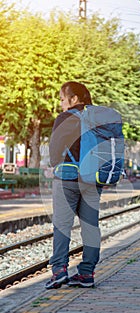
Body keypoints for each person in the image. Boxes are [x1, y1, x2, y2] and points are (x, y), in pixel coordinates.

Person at [45, 81, 102, 290]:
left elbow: (53, 154)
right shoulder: (97, 118)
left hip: (67, 178)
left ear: (74, 99)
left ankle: (59, 270)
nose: (61, 104)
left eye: (62, 99)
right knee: (90, 226)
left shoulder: (65, 118)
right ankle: (87, 273)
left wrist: (54, 163)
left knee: (62, 225)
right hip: (93, 180)